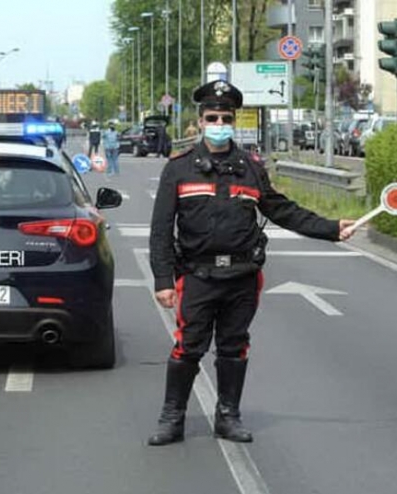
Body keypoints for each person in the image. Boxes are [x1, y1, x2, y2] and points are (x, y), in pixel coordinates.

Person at [146, 80, 357, 446]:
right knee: (188, 346)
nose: (219, 123)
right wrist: (163, 279)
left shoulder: (250, 167)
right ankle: (172, 417)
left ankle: (228, 416)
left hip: (242, 276)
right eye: (212, 117)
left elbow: (282, 211)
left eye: (226, 117)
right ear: (200, 121)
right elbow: (161, 229)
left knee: (235, 346)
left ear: (234, 120)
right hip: (197, 275)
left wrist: (332, 229)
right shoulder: (179, 169)